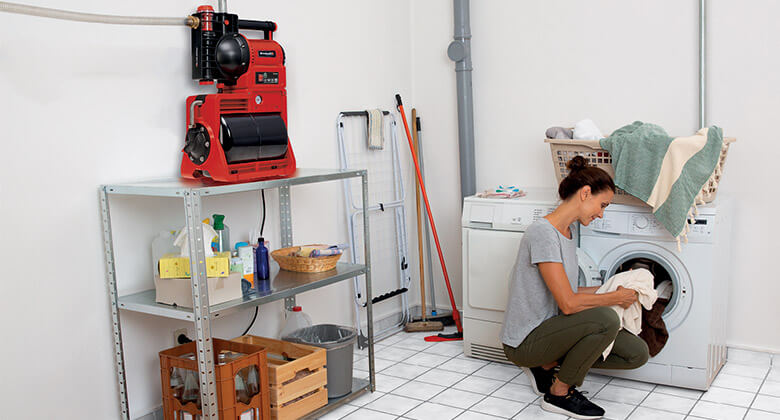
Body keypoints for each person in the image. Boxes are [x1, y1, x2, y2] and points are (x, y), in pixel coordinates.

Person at [501, 156, 649, 420]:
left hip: (553, 329)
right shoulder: (543, 233)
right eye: (602, 205)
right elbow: (568, 303)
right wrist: (612, 298)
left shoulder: (567, 234)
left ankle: (547, 366)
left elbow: (570, 294)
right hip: (525, 339)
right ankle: (559, 393)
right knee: (605, 318)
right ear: (585, 193)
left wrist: (617, 287)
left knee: (636, 354)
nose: (601, 213)